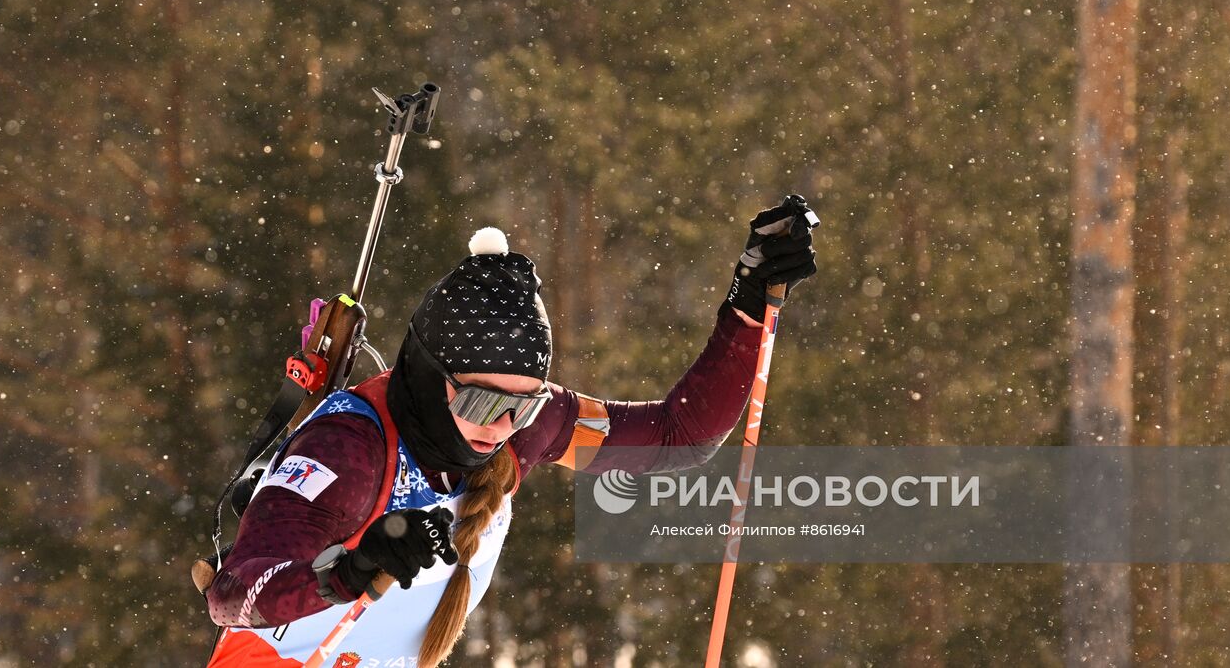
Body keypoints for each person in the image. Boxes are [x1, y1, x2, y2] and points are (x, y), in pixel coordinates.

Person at [204, 197, 817, 667]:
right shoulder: (348, 450)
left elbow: (679, 434)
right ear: (425, 373)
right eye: (477, 399)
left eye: (523, 406)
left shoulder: (526, 427)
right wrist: (345, 570)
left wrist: (749, 304)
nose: (501, 427)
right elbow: (232, 592)